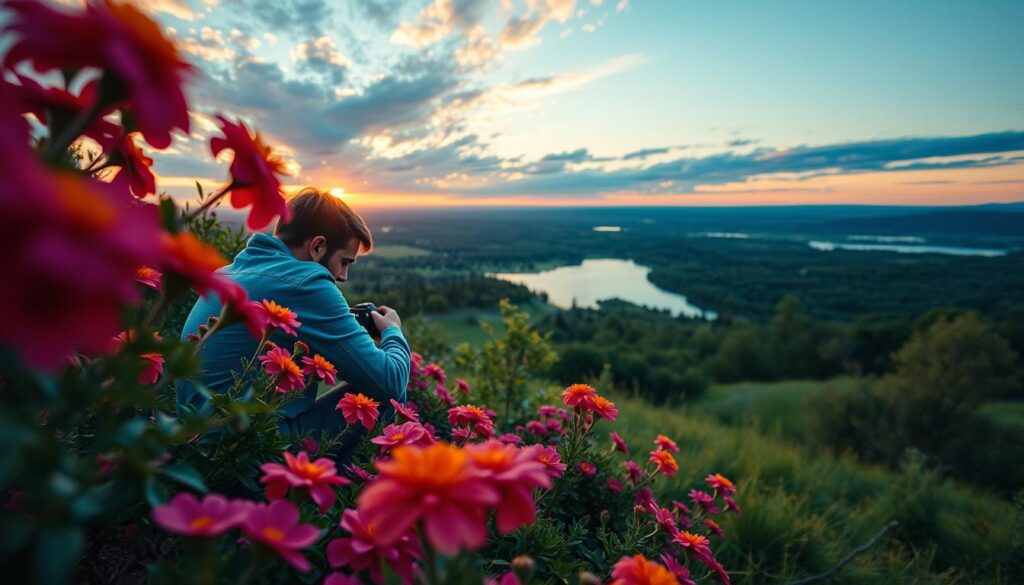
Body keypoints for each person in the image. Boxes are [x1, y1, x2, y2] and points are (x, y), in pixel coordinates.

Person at [177, 187, 410, 454]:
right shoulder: (307, 282)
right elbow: (389, 382)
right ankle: (341, 493)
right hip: (246, 449)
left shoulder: (227, 273)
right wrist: (393, 331)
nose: (344, 276)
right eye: (344, 262)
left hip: (195, 439)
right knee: (383, 399)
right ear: (317, 246)